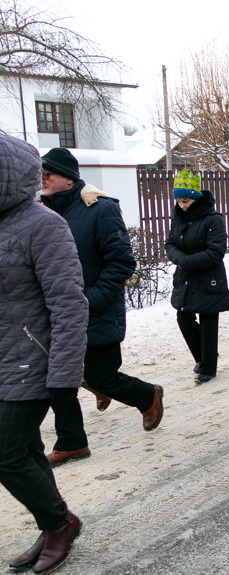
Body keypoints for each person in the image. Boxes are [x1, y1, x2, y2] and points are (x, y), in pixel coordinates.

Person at [40, 147, 164, 466]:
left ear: (68, 178)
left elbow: (121, 263)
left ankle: (147, 395)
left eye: (48, 174)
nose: (42, 179)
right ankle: (72, 442)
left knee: (102, 376)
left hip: (95, 310)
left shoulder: (100, 209)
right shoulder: (42, 211)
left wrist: (89, 300)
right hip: (56, 314)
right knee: (56, 378)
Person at [0, 135, 89, 574]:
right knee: (26, 450)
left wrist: (64, 376)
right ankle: (53, 521)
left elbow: (69, 303)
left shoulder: (43, 224)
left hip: (32, 358)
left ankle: (60, 523)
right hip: (1, 360)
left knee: (6, 452)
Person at [165, 170, 229, 384]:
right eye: (178, 200)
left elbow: (216, 251)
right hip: (185, 278)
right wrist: (181, 260)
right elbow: (170, 243)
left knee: (208, 320)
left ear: (196, 197)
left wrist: (187, 262)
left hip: (209, 278)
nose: (182, 204)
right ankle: (203, 357)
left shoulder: (213, 219)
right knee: (183, 318)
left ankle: (208, 367)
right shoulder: (178, 217)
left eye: (186, 200)